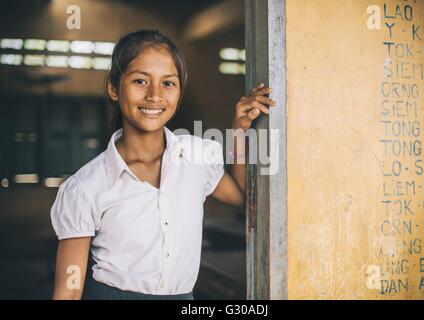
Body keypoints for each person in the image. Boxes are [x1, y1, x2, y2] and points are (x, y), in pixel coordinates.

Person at [50, 29, 276, 300]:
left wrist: (239, 130)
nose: (155, 95)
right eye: (140, 81)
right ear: (113, 88)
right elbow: (69, 292)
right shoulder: (85, 187)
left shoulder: (197, 157)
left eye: (168, 83)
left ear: (180, 92)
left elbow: (242, 198)